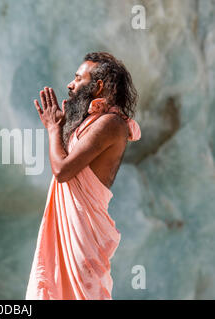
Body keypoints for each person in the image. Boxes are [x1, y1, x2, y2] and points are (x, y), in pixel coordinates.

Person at [26, 52, 141, 300]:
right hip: (76, 238)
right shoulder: (93, 121)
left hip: (83, 241)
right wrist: (62, 124)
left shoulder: (111, 124)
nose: (71, 84)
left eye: (78, 78)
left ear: (98, 86)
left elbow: (62, 170)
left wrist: (53, 129)